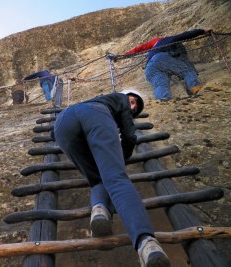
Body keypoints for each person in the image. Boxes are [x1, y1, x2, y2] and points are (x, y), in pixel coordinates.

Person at [54, 89, 170, 267]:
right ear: (126, 95)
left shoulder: (95, 100)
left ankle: (100, 210)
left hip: (62, 122)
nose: (132, 107)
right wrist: (120, 159)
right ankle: (147, 243)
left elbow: (55, 134)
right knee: (116, 179)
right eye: (132, 101)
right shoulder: (118, 100)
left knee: (97, 179)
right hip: (94, 115)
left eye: (135, 108)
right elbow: (130, 136)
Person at [125, 29, 210, 100]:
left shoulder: (155, 43)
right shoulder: (170, 40)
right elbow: (185, 35)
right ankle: (196, 90)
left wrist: (126, 54)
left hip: (149, 68)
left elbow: (140, 48)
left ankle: (164, 100)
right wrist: (202, 31)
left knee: (161, 83)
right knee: (188, 70)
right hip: (162, 58)